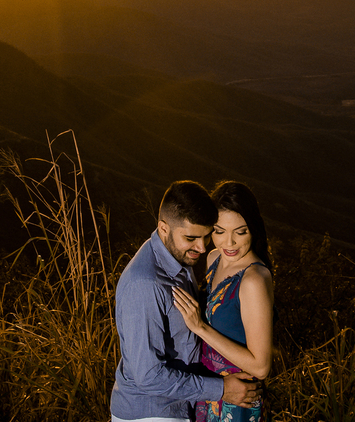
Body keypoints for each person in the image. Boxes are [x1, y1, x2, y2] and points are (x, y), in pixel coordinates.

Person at [111, 180, 261, 421]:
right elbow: (148, 376)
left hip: (177, 407)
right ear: (163, 229)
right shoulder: (145, 284)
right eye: (191, 238)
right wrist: (221, 389)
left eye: (206, 236)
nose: (201, 248)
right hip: (152, 413)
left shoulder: (177, 257)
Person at [172, 181, 274, 422]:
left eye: (240, 232)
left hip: (239, 399)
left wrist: (199, 327)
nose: (229, 244)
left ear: (253, 228)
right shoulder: (214, 258)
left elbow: (261, 367)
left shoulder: (253, 280)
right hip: (211, 389)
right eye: (219, 231)